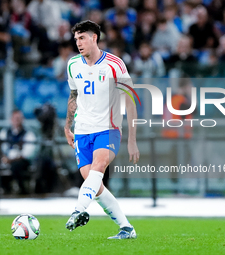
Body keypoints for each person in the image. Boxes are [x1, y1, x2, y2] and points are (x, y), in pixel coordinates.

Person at [64, 20, 139, 239]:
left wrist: (132, 139)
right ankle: (126, 228)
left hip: (109, 128)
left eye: (82, 38)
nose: (78, 43)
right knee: (94, 186)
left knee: (98, 167)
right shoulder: (73, 65)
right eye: (76, 39)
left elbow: (131, 101)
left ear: (94, 38)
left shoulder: (115, 64)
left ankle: (78, 210)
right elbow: (73, 96)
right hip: (82, 130)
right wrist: (67, 126)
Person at [0, 110, 36, 195]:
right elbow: (0, 148)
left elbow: (28, 153)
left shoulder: (28, 134)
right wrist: (4, 157)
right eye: (14, 118)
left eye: (18, 118)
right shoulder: (4, 132)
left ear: (22, 119)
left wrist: (13, 159)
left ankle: (22, 190)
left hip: (20, 161)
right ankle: (5, 188)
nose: (16, 120)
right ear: (11, 119)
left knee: (16, 166)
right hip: (6, 159)